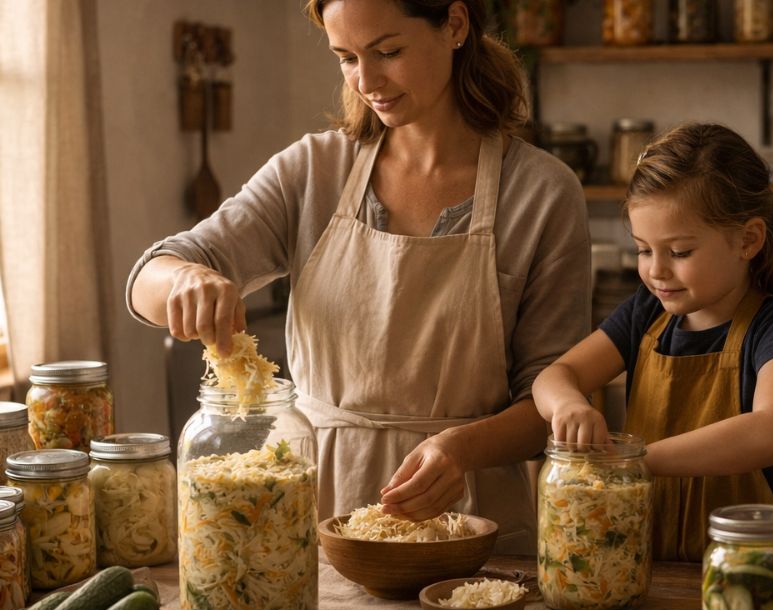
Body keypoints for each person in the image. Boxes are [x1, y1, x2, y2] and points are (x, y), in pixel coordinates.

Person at [126, 0, 590, 554]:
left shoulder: (542, 193)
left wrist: (461, 449)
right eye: (346, 58)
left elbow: (551, 401)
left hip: (470, 526)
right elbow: (148, 277)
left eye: (388, 51)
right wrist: (183, 279)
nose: (367, 82)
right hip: (316, 512)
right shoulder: (312, 171)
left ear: (455, 25)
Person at [532, 122, 773, 562]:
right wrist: (567, 404)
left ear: (747, 240)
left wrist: (637, 459)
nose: (656, 271)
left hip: (743, 565)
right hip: (639, 563)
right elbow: (557, 375)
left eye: (679, 252)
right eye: (643, 249)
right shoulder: (646, 314)